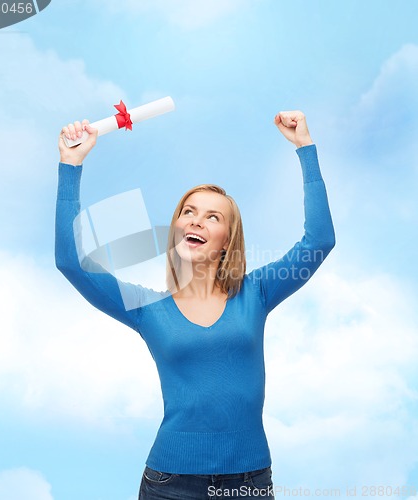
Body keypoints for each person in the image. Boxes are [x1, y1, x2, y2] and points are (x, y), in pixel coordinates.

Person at [56, 111, 335, 499]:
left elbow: (318, 242)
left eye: (212, 216)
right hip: (169, 484)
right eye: (188, 212)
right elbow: (71, 262)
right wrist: (71, 165)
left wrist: (305, 147)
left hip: (248, 483)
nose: (196, 221)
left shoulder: (256, 293)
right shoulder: (145, 308)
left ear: (226, 240)